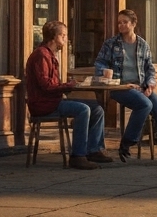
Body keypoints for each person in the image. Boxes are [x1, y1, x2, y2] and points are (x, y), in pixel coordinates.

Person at [95, 9, 157, 166]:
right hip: (121, 88)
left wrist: (150, 83)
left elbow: (150, 68)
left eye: (125, 22)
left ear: (133, 24)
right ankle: (128, 142)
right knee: (145, 104)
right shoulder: (111, 44)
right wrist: (104, 71)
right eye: (119, 22)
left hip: (141, 87)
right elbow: (99, 62)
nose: (121, 25)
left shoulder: (143, 44)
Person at [24, 20, 111, 170]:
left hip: (53, 100)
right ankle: (78, 156)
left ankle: (93, 149)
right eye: (63, 35)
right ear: (53, 37)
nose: (65, 39)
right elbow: (46, 85)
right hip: (44, 104)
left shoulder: (50, 55)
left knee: (97, 109)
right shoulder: (42, 55)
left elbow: (51, 84)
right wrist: (68, 85)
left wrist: (68, 85)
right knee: (83, 109)